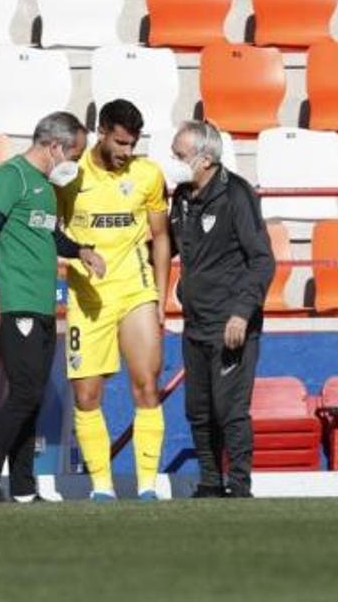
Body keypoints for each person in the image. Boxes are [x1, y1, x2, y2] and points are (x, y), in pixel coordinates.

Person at [0, 113, 107, 503]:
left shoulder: (46, 188)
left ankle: (25, 488)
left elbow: (49, 237)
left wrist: (80, 251)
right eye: (73, 154)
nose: (75, 163)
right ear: (54, 146)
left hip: (43, 303)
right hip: (17, 301)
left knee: (32, 395)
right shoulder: (11, 175)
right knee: (26, 391)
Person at [56, 99, 171, 501]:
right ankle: (101, 487)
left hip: (135, 290)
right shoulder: (70, 177)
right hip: (87, 297)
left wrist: (159, 295)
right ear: (101, 131)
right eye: (120, 142)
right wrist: (76, 254)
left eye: (132, 144)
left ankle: (147, 486)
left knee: (146, 385)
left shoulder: (147, 174)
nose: (126, 152)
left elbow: (161, 236)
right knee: (87, 396)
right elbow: (53, 230)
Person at [168, 121, 275, 499]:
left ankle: (240, 484)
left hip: (231, 323)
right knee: (198, 409)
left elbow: (263, 261)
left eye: (180, 156)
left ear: (206, 158)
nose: (175, 162)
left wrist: (242, 313)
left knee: (230, 410)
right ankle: (210, 481)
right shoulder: (181, 197)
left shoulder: (237, 195)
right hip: (195, 323)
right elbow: (167, 246)